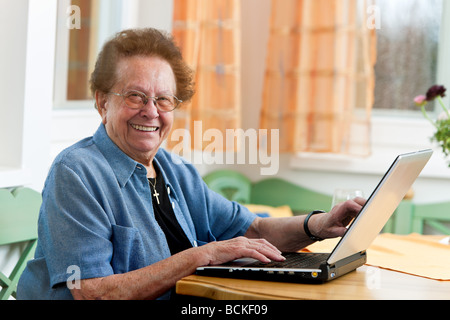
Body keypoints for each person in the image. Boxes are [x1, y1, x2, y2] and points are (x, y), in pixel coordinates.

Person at [17, 28, 364, 300]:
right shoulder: (76, 173)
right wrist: (203, 255)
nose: (151, 111)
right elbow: (93, 292)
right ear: (102, 102)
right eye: (135, 96)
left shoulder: (174, 170)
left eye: (163, 99)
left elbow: (251, 230)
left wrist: (318, 225)